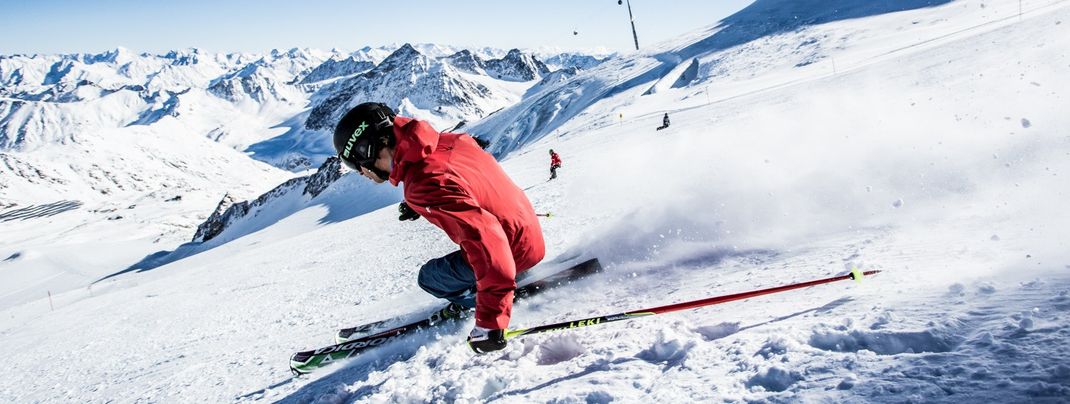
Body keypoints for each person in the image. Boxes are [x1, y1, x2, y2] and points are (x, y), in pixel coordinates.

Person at [333, 102, 546, 354]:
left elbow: (487, 239)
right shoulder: (452, 141)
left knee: (430, 277)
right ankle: (499, 283)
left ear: (365, 150)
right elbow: (456, 175)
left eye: (352, 163)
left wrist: (491, 321)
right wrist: (422, 202)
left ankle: (481, 298)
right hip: (528, 234)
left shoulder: (424, 184)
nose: (359, 172)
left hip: (511, 253)